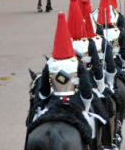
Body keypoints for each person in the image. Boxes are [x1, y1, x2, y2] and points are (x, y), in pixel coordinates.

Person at [32, 12, 95, 142]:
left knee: (33, 124)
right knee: (90, 130)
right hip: (75, 103)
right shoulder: (78, 64)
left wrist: (43, 103)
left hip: (53, 104)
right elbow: (86, 93)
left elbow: (43, 92)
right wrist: (86, 108)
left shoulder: (49, 64)